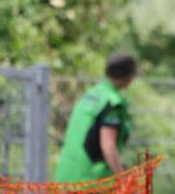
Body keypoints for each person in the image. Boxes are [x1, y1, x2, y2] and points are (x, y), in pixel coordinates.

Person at [55, 53, 137, 182]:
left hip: (68, 173)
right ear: (129, 76)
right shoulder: (112, 102)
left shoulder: (92, 94)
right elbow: (108, 146)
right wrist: (123, 178)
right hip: (90, 179)